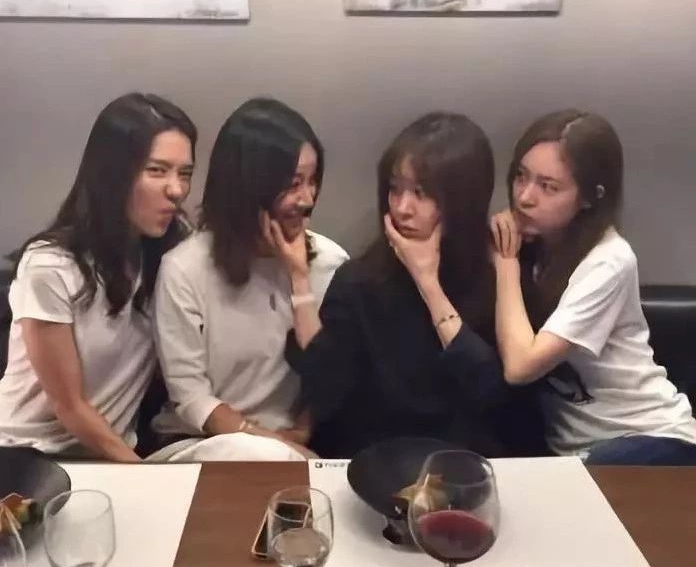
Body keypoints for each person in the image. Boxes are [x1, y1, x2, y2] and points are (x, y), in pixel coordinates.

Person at [284, 112, 546, 458]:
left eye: (421, 193)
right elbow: (325, 392)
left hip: (467, 464)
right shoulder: (361, 281)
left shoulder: (499, 274)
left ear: (462, 200)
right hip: (374, 462)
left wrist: (429, 287)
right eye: (395, 189)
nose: (402, 208)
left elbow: (497, 401)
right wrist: (300, 280)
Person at [490, 109, 696, 465]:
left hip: (654, 440)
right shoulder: (536, 249)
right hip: (578, 454)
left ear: (590, 197)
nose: (524, 197)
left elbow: (520, 366)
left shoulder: (610, 260)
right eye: (521, 177)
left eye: (548, 186)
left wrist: (505, 262)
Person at [0, 92, 196, 462]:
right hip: (28, 456)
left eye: (184, 173)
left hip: (114, 455)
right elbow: (69, 405)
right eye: (157, 171)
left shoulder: (172, 251)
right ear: (113, 176)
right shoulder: (51, 266)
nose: (177, 190)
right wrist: (144, 477)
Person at [153, 97, 347, 459]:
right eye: (293, 183)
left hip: (298, 445)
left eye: (312, 181)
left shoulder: (331, 264)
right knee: (261, 456)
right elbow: (190, 397)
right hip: (202, 442)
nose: (307, 199)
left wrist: (299, 279)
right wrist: (268, 442)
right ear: (247, 187)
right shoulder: (185, 269)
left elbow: (335, 379)